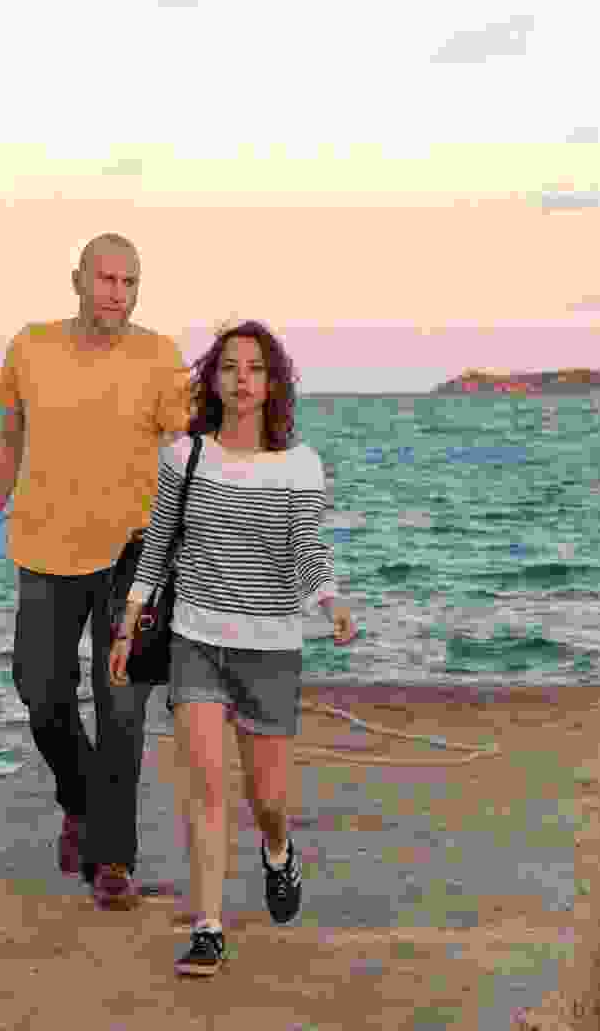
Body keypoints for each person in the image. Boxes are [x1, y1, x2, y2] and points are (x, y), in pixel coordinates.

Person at [0, 233, 194, 909]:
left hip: (133, 558)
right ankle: (80, 800)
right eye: (106, 279)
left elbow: (190, 454)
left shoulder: (160, 359)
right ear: (78, 280)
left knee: (122, 710)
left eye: (130, 282)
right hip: (43, 551)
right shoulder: (31, 348)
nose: (118, 293)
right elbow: (7, 449)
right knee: (41, 693)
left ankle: (112, 859)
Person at [107, 320, 357, 978]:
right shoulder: (184, 457)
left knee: (267, 800)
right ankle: (208, 927)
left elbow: (306, 548)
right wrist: (127, 626)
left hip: (270, 651)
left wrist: (330, 603)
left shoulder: (300, 466)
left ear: (272, 384)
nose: (242, 380)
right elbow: (158, 546)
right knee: (207, 788)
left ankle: (278, 852)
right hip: (195, 642)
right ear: (213, 381)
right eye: (229, 367)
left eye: (255, 368)